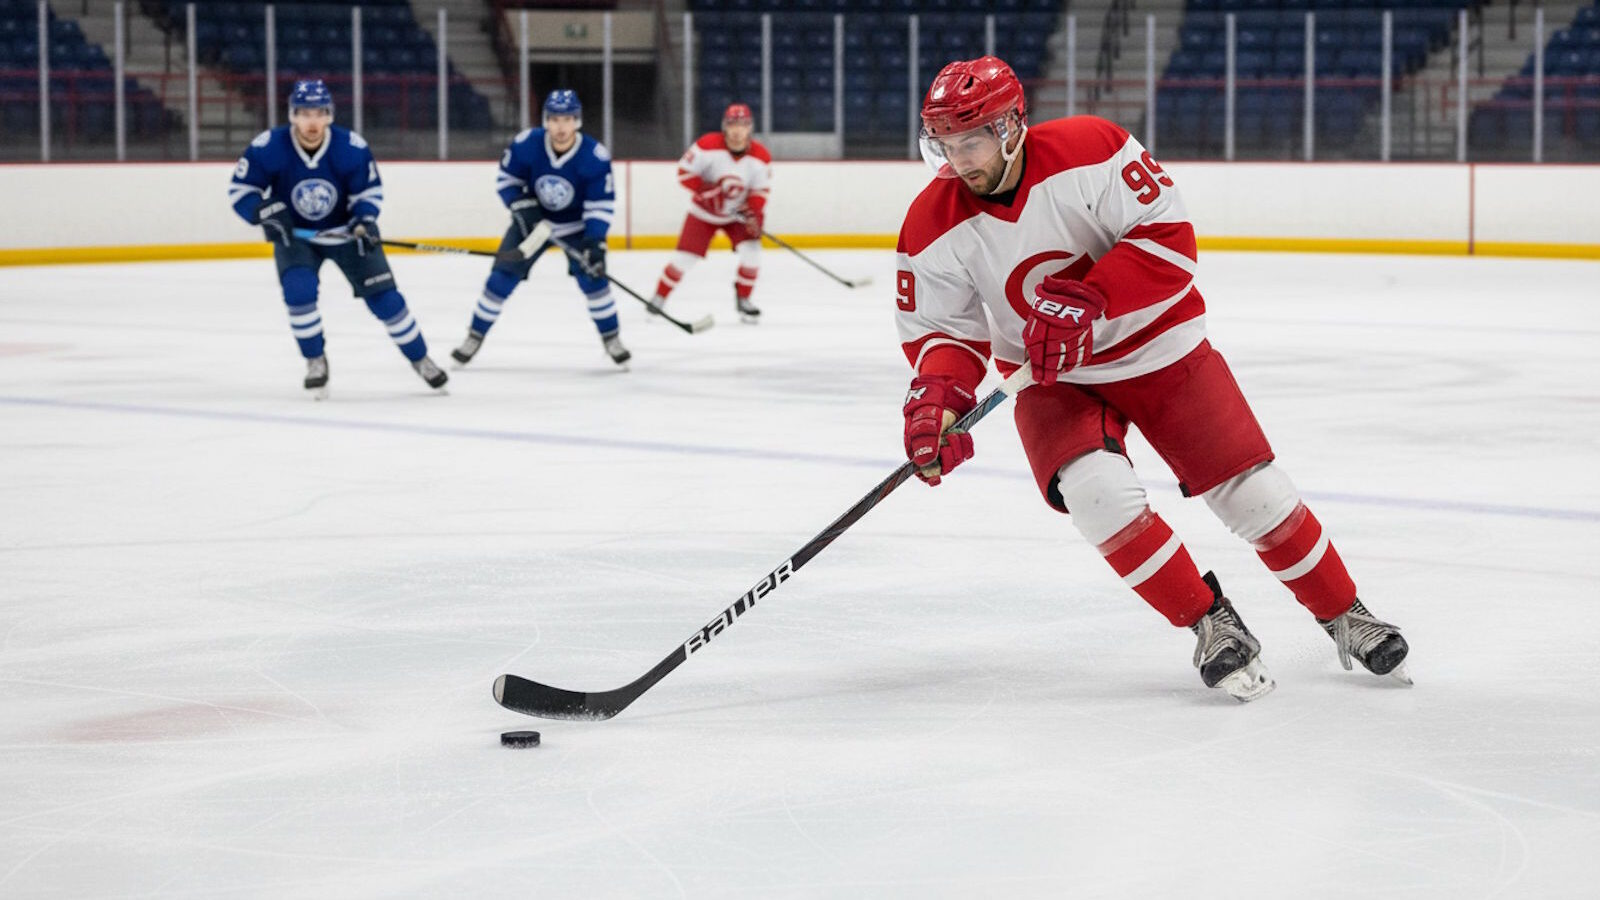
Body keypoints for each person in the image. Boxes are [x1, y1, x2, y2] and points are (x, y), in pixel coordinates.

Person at [896, 57, 1409, 702]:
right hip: (1051, 378)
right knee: (1097, 497)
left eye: (970, 140)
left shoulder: (1093, 149)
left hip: (1160, 348)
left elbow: (1170, 241)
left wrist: (1092, 297)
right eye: (944, 144)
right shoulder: (928, 222)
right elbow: (944, 333)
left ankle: (1344, 613)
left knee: (1252, 494)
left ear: (1012, 126)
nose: (958, 159)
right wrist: (938, 402)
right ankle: (1210, 623)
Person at [228, 79, 448, 397]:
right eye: (304, 113)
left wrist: (365, 220)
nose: (312, 121)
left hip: (347, 234)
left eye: (320, 113)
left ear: (330, 115)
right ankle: (315, 360)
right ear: (292, 115)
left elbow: (368, 193)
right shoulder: (268, 147)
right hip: (297, 238)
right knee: (298, 293)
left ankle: (421, 359)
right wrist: (263, 212)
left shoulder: (350, 147)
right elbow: (241, 192)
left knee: (388, 301)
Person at [450, 89, 628, 368]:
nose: (561, 127)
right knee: (500, 279)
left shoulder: (594, 156)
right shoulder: (527, 143)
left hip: (576, 228)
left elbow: (600, 204)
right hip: (532, 225)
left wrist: (595, 241)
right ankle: (474, 336)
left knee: (595, 282)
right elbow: (506, 181)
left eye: (567, 119)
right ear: (546, 120)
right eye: (555, 119)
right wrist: (522, 206)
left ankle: (611, 338)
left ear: (577, 121)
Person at [648, 103, 771, 323]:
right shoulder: (707, 145)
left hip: (735, 216)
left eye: (742, 125)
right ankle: (659, 296)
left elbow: (760, 191)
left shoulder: (760, 156)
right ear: (725, 126)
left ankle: (744, 299)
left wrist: (751, 211)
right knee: (684, 259)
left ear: (750, 128)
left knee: (752, 254)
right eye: (732, 124)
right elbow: (684, 173)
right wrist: (705, 190)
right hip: (702, 214)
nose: (737, 130)